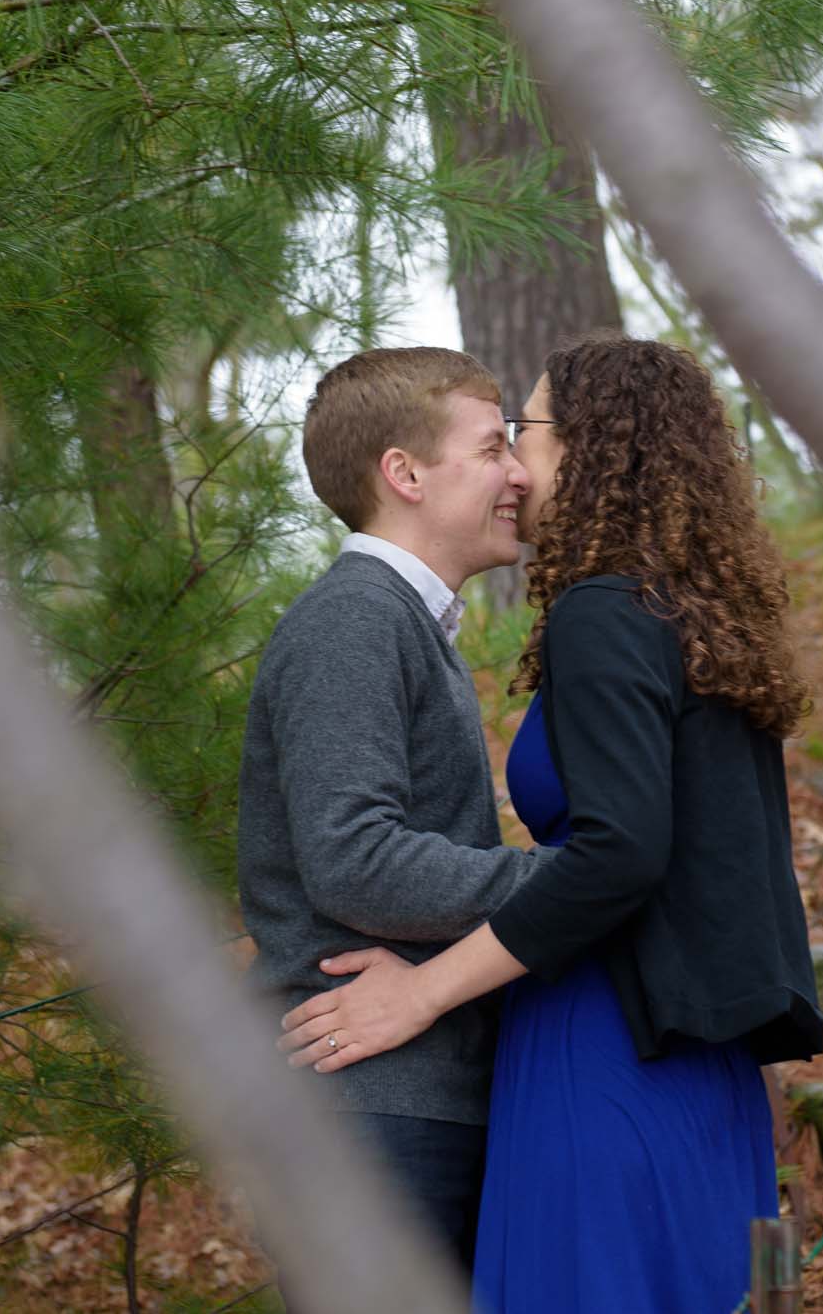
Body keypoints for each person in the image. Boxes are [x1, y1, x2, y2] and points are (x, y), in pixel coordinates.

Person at [279, 334, 823, 1312]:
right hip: (691, 1056)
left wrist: (428, 989)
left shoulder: (605, 614)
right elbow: (653, 862)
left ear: (593, 448)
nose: (513, 470)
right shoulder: (694, 621)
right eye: (493, 444)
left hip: (607, 1039)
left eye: (519, 435)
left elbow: (621, 857)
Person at [237, 347, 555, 1277]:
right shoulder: (355, 619)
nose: (519, 474)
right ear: (405, 474)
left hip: (402, 1092)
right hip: (368, 1110)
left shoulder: (398, 620)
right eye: (492, 448)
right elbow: (354, 858)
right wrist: (569, 883)